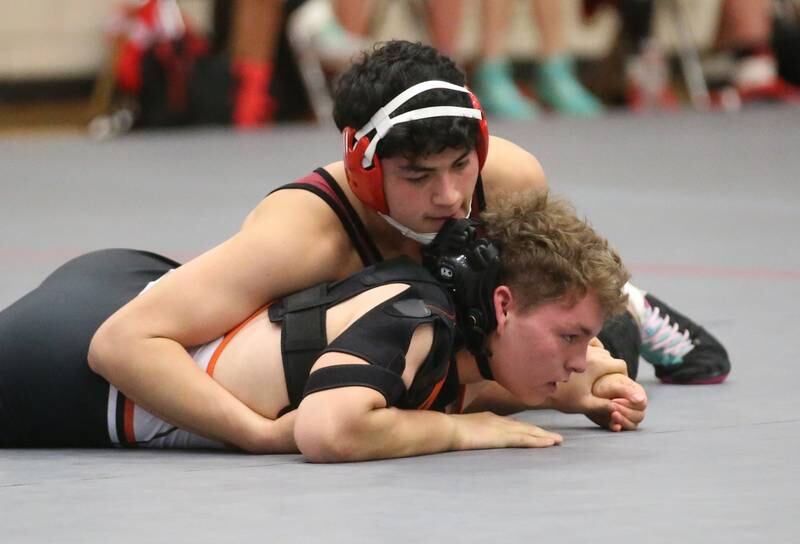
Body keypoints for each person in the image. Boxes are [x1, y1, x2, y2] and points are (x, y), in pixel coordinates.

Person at [83, 40, 727, 454]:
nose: (449, 197)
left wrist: (591, 375)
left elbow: (508, 325)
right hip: (294, 326)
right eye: (417, 176)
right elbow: (121, 342)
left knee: (604, 343)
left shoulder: (506, 179)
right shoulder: (303, 236)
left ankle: (625, 304)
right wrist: (258, 435)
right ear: (365, 168)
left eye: (459, 166)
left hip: (437, 324)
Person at [1, 191, 642, 458]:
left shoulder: (454, 324)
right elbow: (327, 429)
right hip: (62, 370)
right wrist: (464, 432)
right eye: (571, 338)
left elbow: (449, 386)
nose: (582, 357)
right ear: (502, 305)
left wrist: (573, 393)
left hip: (129, 283)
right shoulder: (419, 317)